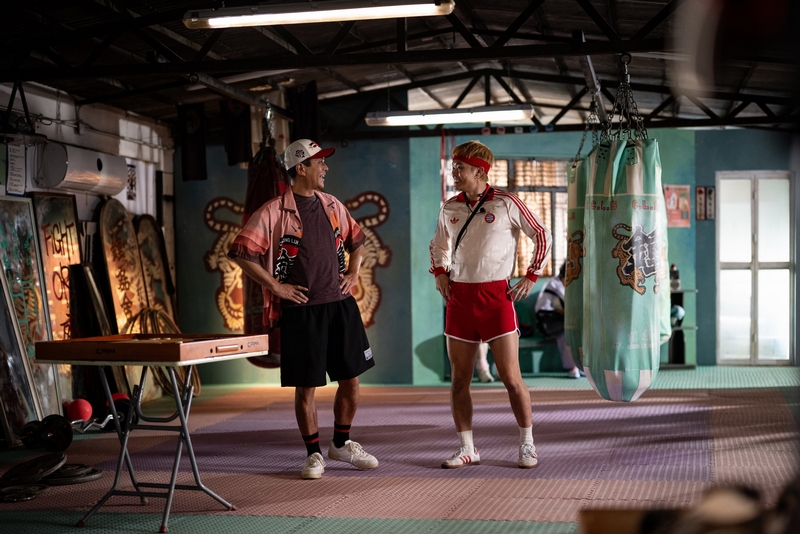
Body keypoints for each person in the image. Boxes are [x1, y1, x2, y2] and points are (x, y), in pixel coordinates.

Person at [228, 139, 378, 480]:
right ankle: (313, 454)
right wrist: (275, 286)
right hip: (302, 310)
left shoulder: (332, 204)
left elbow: (358, 242)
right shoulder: (273, 211)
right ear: (301, 167)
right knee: (306, 386)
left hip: (340, 306)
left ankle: (341, 444)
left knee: (351, 381)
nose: (325, 167)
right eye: (319, 162)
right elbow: (240, 252)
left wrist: (354, 272)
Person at [430, 140, 552, 469]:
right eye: (453, 167)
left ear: (479, 171)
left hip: (496, 296)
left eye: (460, 168)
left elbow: (542, 234)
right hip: (459, 298)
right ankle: (467, 448)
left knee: (510, 378)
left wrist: (532, 276)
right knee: (459, 379)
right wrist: (440, 273)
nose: (454, 173)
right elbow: (438, 245)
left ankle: (527, 444)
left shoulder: (506, 202)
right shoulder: (449, 207)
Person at [533, 262, 583, 379]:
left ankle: (580, 366)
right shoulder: (553, 285)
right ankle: (572, 367)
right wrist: (561, 311)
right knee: (566, 333)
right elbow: (542, 309)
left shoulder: (568, 285)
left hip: (562, 322)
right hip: (548, 323)